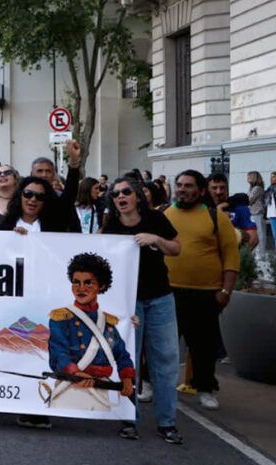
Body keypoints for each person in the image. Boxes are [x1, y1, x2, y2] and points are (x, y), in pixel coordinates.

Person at [102, 176, 183, 444]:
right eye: (115, 194)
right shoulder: (111, 225)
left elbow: (176, 248)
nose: (121, 197)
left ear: (137, 195)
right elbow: (98, 255)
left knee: (166, 360)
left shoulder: (156, 219)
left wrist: (155, 239)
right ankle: (128, 418)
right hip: (127, 302)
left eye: (126, 191)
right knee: (129, 360)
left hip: (160, 298)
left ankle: (167, 422)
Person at [0, 174, 80, 430]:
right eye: (28, 194)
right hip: (14, 298)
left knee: (43, 352)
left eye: (40, 196)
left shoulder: (53, 225)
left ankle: (38, 407)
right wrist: (11, 240)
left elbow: (68, 200)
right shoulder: (6, 225)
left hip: (46, 297)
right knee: (18, 351)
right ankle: (17, 401)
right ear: (20, 196)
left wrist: (74, 167)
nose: (33, 200)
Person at [164, 170, 240, 410]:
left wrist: (226, 291)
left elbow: (231, 256)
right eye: (179, 184)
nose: (182, 189)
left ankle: (206, 389)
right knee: (162, 343)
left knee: (203, 347)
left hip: (205, 294)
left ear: (200, 190)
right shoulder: (165, 214)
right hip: (168, 292)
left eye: (188, 185)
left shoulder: (216, 217)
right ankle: (149, 382)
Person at [46, 253, 136, 412]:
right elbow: (58, 352)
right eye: (76, 282)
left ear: (101, 286)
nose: (81, 288)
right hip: (71, 386)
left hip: (101, 388)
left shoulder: (107, 322)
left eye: (88, 282)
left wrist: (127, 378)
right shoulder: (61, 318)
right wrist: (74, 372)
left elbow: (121, 354)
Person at [208, 172, 257, 249]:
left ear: (227, 189)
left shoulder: (240, 208)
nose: (219, 192)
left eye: (222, 187)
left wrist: (235, 255)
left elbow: (253, 239)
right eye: (214, 188)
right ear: (207, 190)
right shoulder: (202, 208)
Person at [247, 171, 265, 253]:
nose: (247, 178)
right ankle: (256, 253)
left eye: (249, 176)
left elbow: (249, 200)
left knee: (259, 233)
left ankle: (260, 254)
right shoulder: (252, 188)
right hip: (253, 213)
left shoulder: (257, 188)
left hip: (257, 213)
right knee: (255, 233)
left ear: (254, 177)